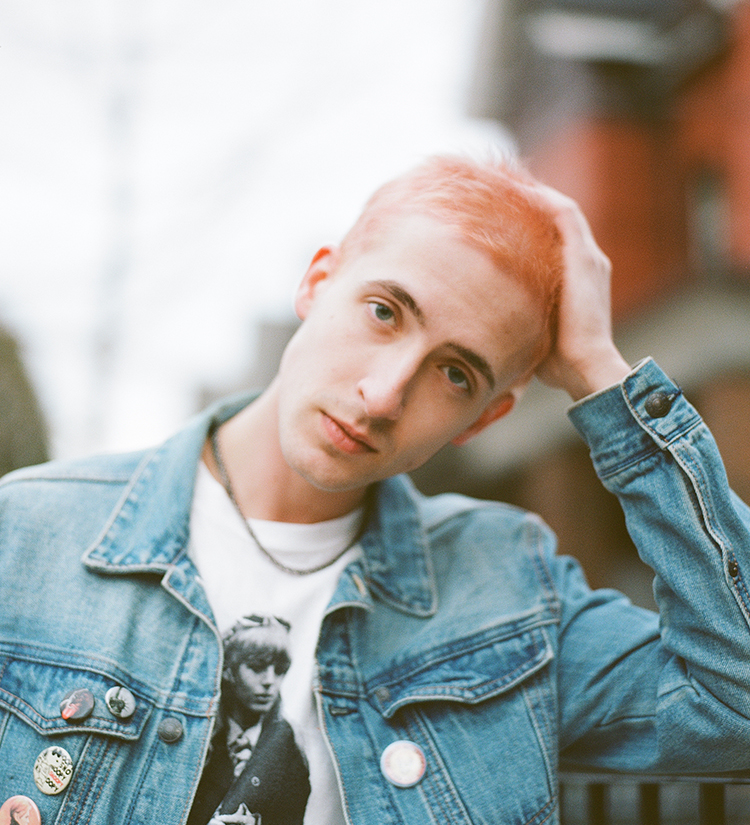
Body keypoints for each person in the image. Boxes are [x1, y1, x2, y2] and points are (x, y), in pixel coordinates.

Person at [1, 155, 749, 825]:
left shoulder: (511, 590)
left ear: (483, 419)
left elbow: (733, 702)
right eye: (384, 311)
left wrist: (600, 371)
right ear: (317, 282)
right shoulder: (28, 534)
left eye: (455, 373)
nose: (384, 394)